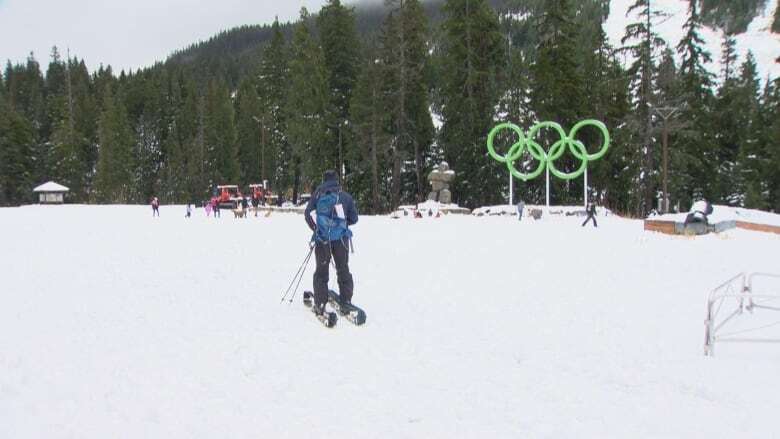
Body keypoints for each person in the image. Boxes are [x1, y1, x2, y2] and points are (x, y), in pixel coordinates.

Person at [305, 170, 359, 315]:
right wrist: (341, 224)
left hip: (322, 240)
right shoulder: (345, 196)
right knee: (343, 269)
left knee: (321, 273)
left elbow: (307, 214)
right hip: (341, 240)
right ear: (337, 180)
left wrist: (316, 228)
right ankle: (346, 300)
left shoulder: (317, 195)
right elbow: (354, 218)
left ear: (323, 180)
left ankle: (321, 302)